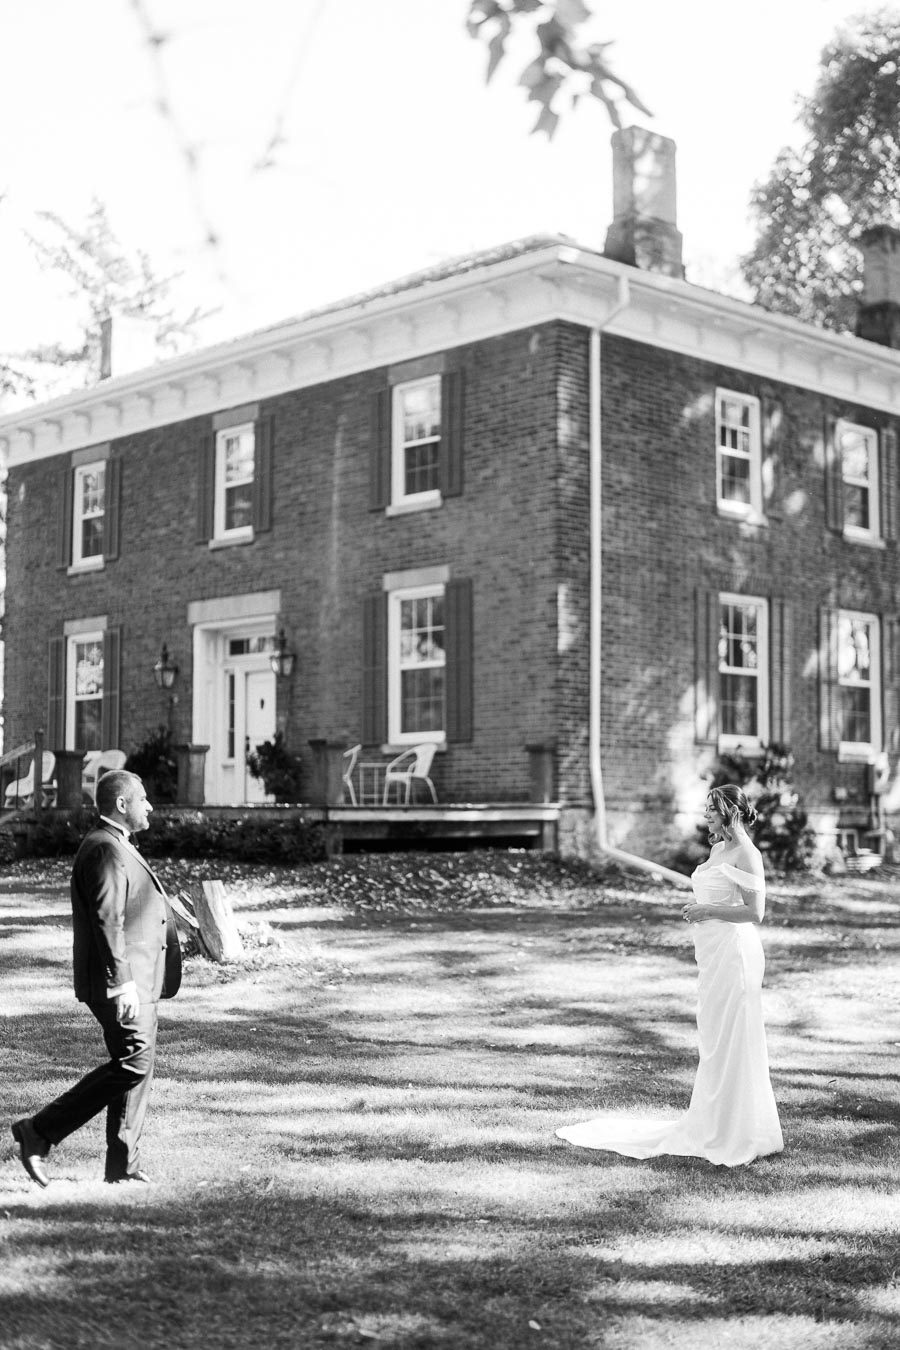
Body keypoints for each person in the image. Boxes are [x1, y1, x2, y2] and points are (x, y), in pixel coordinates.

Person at [556, 784, 783, 1167]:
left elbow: (755, 913)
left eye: (712, 809)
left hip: (736, 953)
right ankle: (715, 1120)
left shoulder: (748, 854)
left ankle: (742, 1129)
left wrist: (706, 911)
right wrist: (705, 910)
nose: (706, 815)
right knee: (714, 1036)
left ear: (730, 811)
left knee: (735, 1034)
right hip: (713, 953)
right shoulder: (718, 849)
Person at [11, 770, 182, 1186]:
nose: (150, 806)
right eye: (143, 799)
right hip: (121, 981)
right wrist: (122, 982)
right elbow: (108, 920)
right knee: (134, 1061)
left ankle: (122, 1166)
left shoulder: (116, 843)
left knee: (136, 1064)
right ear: (122, 805)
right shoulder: (104, 848)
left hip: (141, 978)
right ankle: (38, 1131)